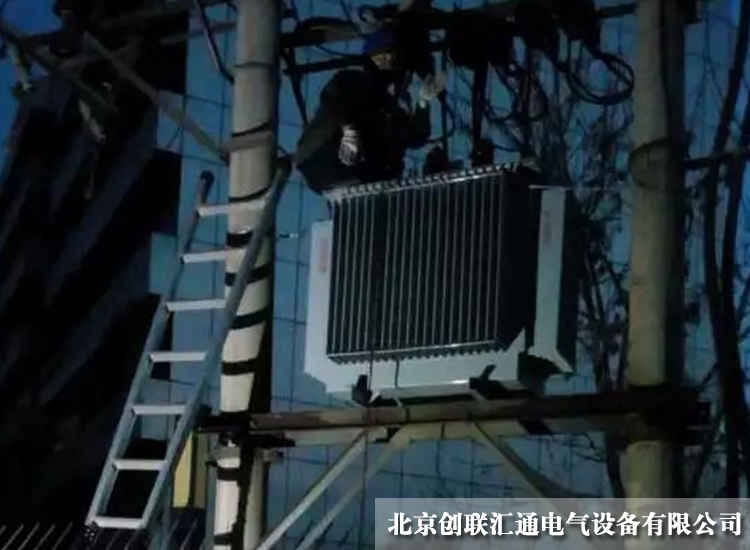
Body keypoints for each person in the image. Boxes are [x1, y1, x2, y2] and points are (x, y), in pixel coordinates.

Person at [295, 27, 444, 193]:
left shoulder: (390, 110)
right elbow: (335, 99)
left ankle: (380, 189)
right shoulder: (352, 81)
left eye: (395, 56)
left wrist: (423, 102)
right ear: (370, 58)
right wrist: (349, 130)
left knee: (389, 149)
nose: (389, 60)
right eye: (384, 55)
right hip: (321, 158)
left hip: (357, 177)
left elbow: (415, 137)